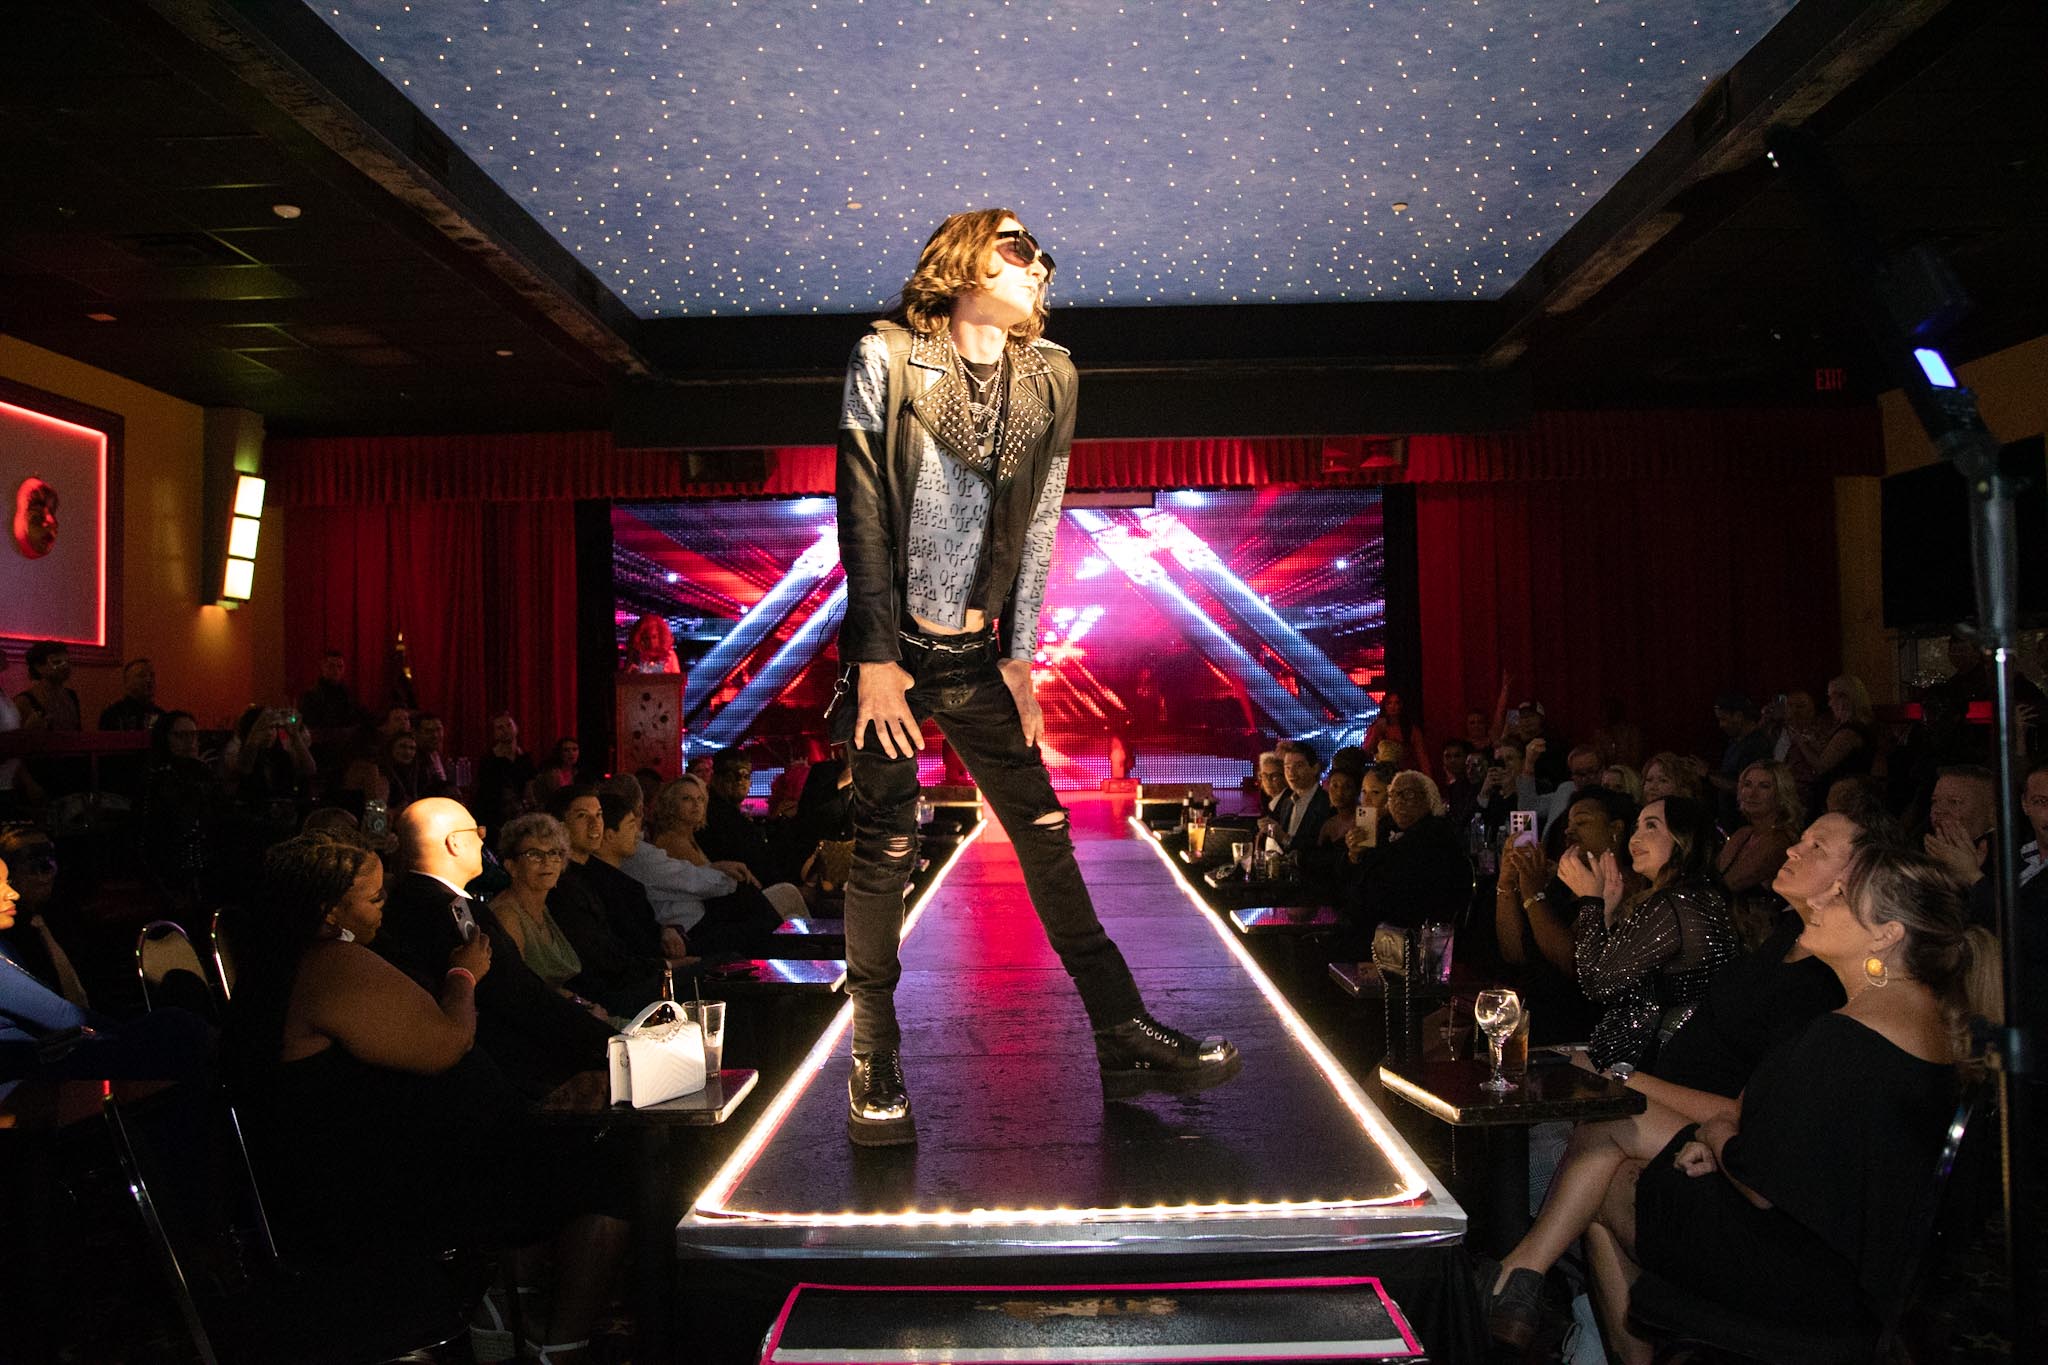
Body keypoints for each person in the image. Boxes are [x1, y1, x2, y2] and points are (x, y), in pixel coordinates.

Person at [830, 207, 1237, 1145]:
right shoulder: (886, 356)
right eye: (1016, 246)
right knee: (885, 847)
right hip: (897, 654)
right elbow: (862, 507)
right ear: (962, 260)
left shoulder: (1050, 375)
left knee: (1047, 837)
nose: (1037, 263)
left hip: (977, 656)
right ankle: (873, 1056)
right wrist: (876, 657)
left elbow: (1043, 519)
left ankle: (1120, 1027)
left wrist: (1019, 656)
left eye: (1042, 253)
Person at [221, 832, 627, 1362]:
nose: (384, 907)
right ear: (328, 911)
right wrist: (464, 975)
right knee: (606, 1171)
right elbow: (446, 1045)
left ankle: (504, 1310)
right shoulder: (330, 964)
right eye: (373, 898)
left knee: (557, 1146)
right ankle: (561, 1346)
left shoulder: (280, 963)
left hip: (362, 1168)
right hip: (375, 1190)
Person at [1477, 811, 1878, 1348]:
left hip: (1722, 1149)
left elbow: (1594, 980)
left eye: (1816, 847)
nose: (1791, 850)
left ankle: (1516, 1281)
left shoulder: (1814, 974)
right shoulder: (1788, 937)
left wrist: (1624, 1077)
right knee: (1594, 1169)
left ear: (1856, 881)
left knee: (1596, 1134)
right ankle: (1535, 1294)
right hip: (1685, 1114)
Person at [372, 796, 611, 1098]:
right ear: (454, 843)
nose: (483, 841)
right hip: (498, 1073)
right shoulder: (453, 910)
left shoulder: (405, 901)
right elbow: (520, 996)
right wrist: (612, 1043)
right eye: (478, 832)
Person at [1561, 796, 1739, 1070]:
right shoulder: (1699, 895)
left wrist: (1590, 902)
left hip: (1654, 1065)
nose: (1635, 838)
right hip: (1665, 1055)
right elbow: (1611, 972)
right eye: (1637, 827)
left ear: (1683, 838)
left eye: (1651, 826)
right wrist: (1606, 911)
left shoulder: (1672, 903)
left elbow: (1598, 984)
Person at [1493, 788, 1634, 1045]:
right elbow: (1515, 953)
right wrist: (1507, 884)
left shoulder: (1625, 888)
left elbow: (1570, 961)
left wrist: (1533, 894)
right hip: (1538, 1020)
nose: (1569, 831)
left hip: (1579, 1031)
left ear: (1615, 829)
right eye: (1568, 824)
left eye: (1582, 822)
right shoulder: (1560, 885)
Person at [543, 788, 665, 1017]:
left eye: (598, 815)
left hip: (632, 973)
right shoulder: (561, 883)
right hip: (606, 994)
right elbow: (601, 960)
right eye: (582, 816)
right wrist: (664, 966)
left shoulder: (599, 874)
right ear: (561, 826)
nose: (595, 824)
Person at [638, 774, 789, 956]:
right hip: (694, 917)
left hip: (707, 907)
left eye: (700, 799)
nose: (696, 804)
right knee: (765, 908)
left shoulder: (689, 836)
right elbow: (701, 881)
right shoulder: (671, 840)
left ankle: (791, 948)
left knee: (771, 906)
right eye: (687, 799)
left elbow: (704, 873)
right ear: (671, 805)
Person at [489, 814, 600, 1010]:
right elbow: (518, 990)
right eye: (534, 854)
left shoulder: (545, 907)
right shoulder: (507, 915)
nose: (547, 861)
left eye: (554, 853)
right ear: (511, 866)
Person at [1339, 770, 1472, 934]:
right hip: (1375, 920)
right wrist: (1354, 854)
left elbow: (1392, 887)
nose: (1398, 801)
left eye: (1408, 794)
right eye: (1393, 795)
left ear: (1429, 799)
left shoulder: (1435, 833)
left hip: (1412, 928)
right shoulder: (1385, 828)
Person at [1716, 760, 1804, 944]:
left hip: (1760, 938)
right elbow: (1715, 879)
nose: (1752, 793)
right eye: (1747, 785)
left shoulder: (1780, 840)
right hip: (1729, 927)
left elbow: (1729, 884)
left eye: (1764, 786)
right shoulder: (1744, 833)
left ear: (1781, 794)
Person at [1789, 674, 1877, 804]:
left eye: (1831, 698)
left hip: (1844, 795)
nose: (1829, 704)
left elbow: (1821, 765)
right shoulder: (1851, 727)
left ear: (1844, 699)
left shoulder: (1850, 732)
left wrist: (1800, 741)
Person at [476, 711, 537, 827]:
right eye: (500, 728)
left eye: (509, 725)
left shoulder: (525, 758)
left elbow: (530, 789)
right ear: (494, 734)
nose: (506, 730)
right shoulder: (488, 760)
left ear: (516, 728)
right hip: (496, 817)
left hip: (521, 815)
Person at [1360, 692, 1433, 780]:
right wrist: (1376, 730)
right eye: (1389, 703)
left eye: (1397, 703)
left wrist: (1428, 780)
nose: (1393, 706)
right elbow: (1366, 751)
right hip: (1383, 776)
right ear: (1385, 706)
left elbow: (1422, 758)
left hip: (1405, 776)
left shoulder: (1412, 730)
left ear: (1402, 705)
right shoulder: (1378, 727)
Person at [14, 642, 80, 733]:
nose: (66, 666)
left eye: (68, 662)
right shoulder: (24, 701)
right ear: (38, 667)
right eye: (57, 662)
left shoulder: (71, 695)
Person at [296, 650, 363, 731]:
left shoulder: (347, 693)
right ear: (323, 667)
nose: (336, 670)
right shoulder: (312, 694)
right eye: (331, 666)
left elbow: (355, 716)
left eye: (340, 666)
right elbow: (308, 725)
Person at [97, 658, 163, 732]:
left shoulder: (161, 716)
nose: (149, 680)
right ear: (127, 682)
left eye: (152, 675)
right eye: (142, 675)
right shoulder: (112, 715)